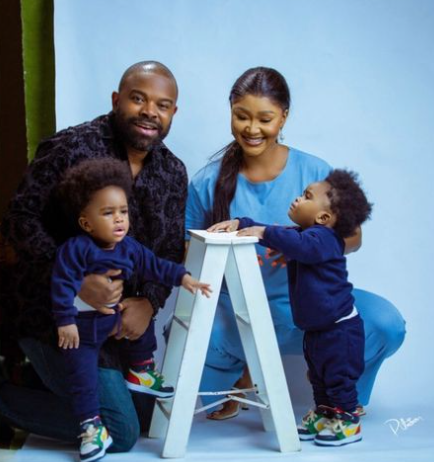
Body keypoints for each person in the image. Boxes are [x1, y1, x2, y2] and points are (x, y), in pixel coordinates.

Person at [185, 66, 406, 421]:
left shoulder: (313, 171)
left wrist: (302, 243)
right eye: (241, 116)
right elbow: (187, 254)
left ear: (284, 116)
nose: (252, 129)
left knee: (386, 323)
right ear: (230, 111)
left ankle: (336, 383)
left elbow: (354, 236)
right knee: (193, 334)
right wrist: (221, 247)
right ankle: (240, 376)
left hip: (312, 310)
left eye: (265, 119)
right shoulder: (206, 182)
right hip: (239, 314)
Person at [0, 61, 186, 452]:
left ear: (173, 113)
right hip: (54, 319)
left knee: (154, 416)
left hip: (117, 329)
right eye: (139, 99)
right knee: (122, 432)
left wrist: (149, 304)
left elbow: (167, 248)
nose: (151, 111)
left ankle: (35, 381)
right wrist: (77, 282)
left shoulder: (172, 171)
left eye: (163, 104)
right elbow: (20, 219)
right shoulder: (70, 147)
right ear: (117, 100)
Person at [52, 158, 210, 461]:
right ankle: (91, 428)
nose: (119, 220)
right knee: (84, 381)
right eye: (108, 213)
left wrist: (185, 278)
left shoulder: (130, 247)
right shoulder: (75, 249)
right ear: (86, 222)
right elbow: (61, 286)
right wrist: (65, 322)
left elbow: (156, 266)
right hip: (81, 331)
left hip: (112, 320)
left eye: (123, 211)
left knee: (140, 312)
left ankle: (141, 369)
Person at [210, 169, 372, 446]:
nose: (297, 199)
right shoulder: (305, 233)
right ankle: (325, 413)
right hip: (317, 328)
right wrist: (243, 222)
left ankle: (347, 422)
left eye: (306, 197)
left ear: (323, 218)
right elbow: (284, 235)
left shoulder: (323, 240)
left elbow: (297, 244)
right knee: (318, 377)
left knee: (338, 377)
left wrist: (263, 232)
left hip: (339, 329)